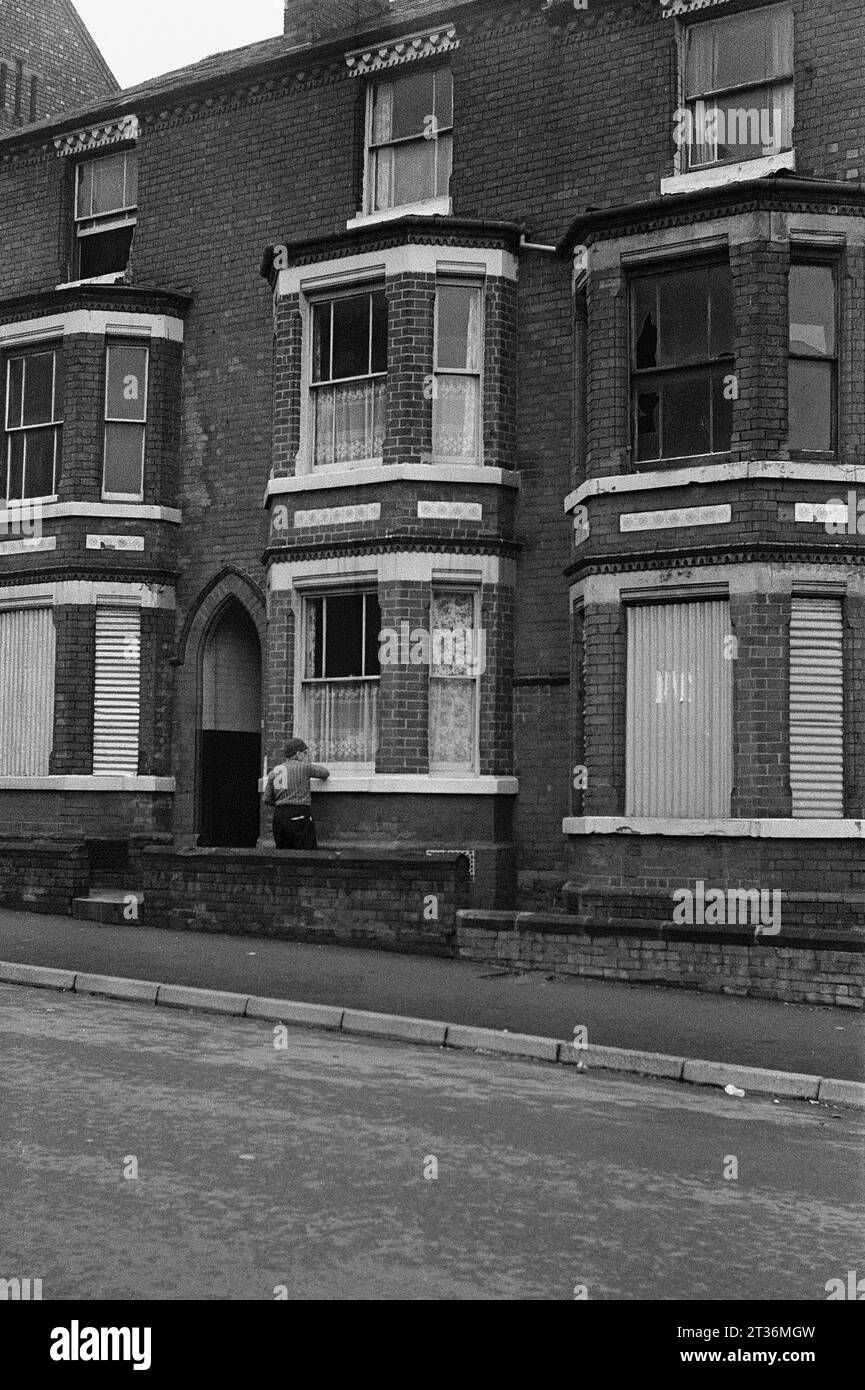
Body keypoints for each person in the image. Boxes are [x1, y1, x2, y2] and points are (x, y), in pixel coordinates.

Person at [263, 738, 330, 849]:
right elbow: (325, 773)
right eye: (304, 753)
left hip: (279, 817)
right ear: (298, 754)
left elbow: (266, 799)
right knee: (306, 853)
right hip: (299, 814)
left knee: (284, 854)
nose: (305, 756)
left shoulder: (274, 772)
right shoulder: (304, 767)